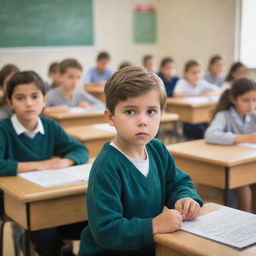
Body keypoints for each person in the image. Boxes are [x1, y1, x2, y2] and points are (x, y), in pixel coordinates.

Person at [78, 66, 203, 256]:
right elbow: (105, 230)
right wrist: (153, 225)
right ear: (110, 117)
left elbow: (179, 182)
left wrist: (184, 198)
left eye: (151, 111)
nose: (143, 121)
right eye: (130, 112)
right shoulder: (107, 166)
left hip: (148, 246)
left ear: (162, 113)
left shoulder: (157, 149)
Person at [0, 70, 89, 256]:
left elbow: (81, 150)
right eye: (20, 98)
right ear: (10, 103)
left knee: (89, 223)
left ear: (44, 99)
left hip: (46, 195)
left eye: (35, 96)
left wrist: (64, 162)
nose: (29, 103)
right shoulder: (3, 129)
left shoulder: (49, 126)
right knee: (46, 233)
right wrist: (40, 165)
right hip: (14, 201)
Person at [204, 78, 256, 213]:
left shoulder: (253, 115)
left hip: (249, 161)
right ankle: (247, 214)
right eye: (245, 100)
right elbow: (210, 134)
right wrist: (245, 138)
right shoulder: (224, 115)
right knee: (242, 182)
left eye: (254, 100)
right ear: (233, 99)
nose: (251, 105)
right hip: (232, 165)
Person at [173, 60, 220, 139]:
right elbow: (176, 95)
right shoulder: (182, 82)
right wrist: (197, 95)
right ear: (186, 74)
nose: (197, 75)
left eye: (199, 72)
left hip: (201, 118)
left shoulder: (202, 82)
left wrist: (207, 94)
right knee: (198, 130)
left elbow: (218, 90)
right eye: (193, 73)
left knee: (206, 126)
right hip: (186, 118)